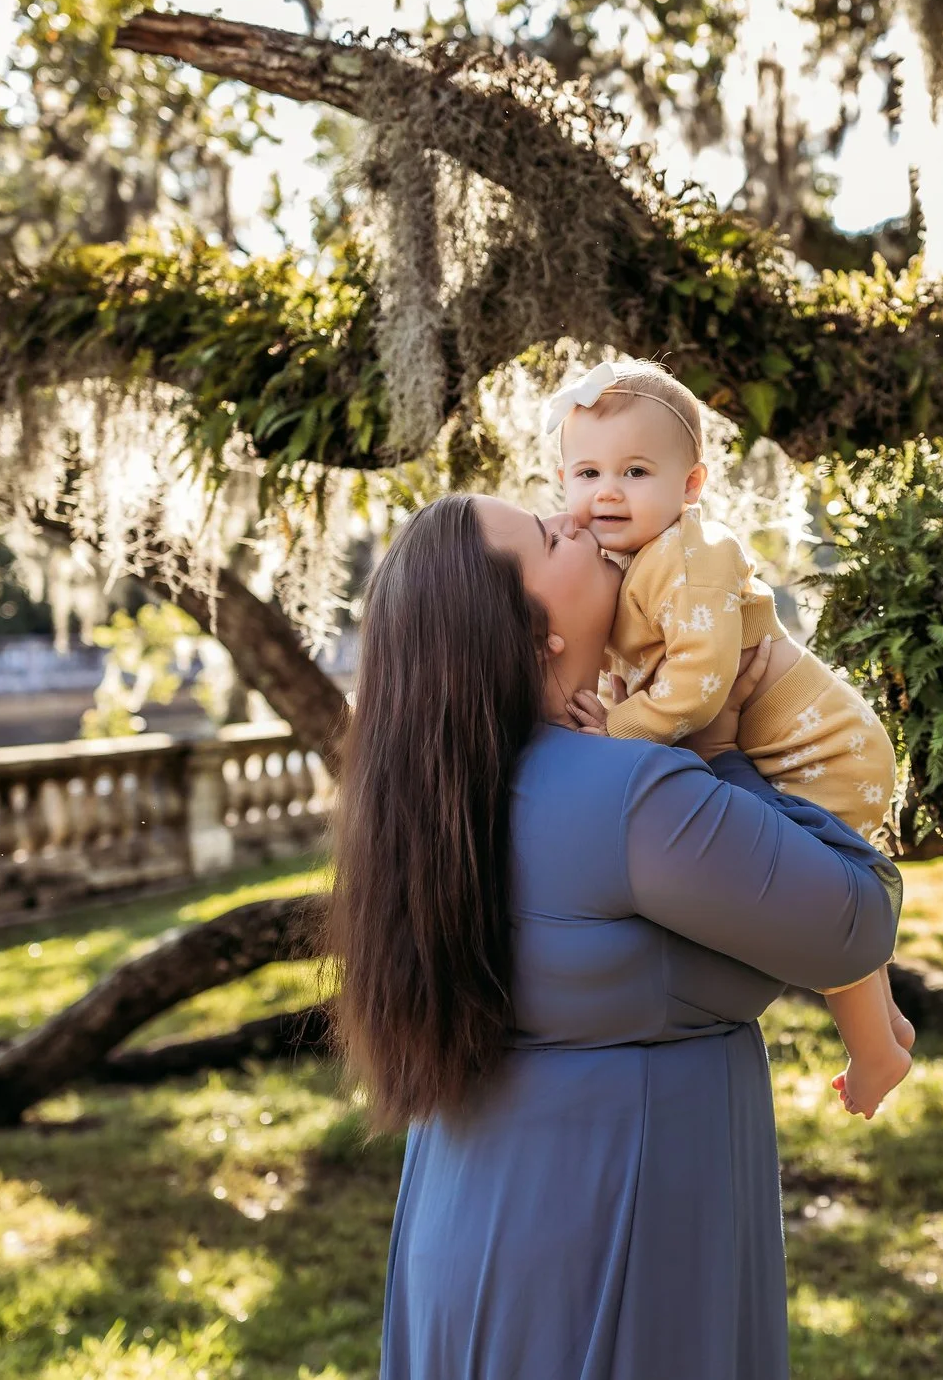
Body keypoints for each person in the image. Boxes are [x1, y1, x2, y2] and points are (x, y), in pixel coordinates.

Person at [330, 492, 901, 1378]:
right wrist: (723, 752)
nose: (580, 519)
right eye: (550, 536)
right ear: (533, 632)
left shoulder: (432, 799)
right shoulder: (632, 793)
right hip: (610, 1235)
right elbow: (856, 916)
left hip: (469, 1214)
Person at [537, 355, 915, 1117]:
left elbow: (703, 683)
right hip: (775, 748)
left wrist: (620, 727)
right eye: (585, 473)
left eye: (636, 470)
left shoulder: (693, 555)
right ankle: (888, 1024)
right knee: (800, 882)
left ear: (691, 486)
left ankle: (876, 1049)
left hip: (821, 747)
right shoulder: (631, 561)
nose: (606, 490)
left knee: (813, 896)